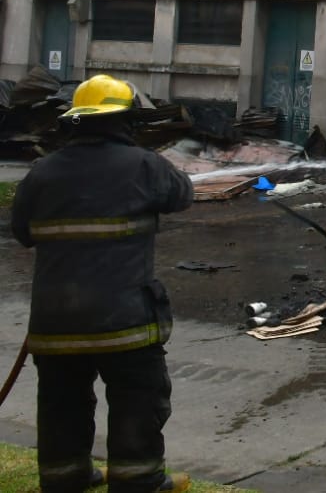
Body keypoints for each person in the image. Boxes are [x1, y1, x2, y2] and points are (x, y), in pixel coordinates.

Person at [10, 74, 194, 493]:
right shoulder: (144, 166)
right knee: (137, 400)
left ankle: (66, 478)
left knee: (62, 407)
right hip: (125, 322)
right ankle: (138, 480)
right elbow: (182, 194)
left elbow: (21, 232)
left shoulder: (42, 173)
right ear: (125, 120)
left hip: (55, 325)